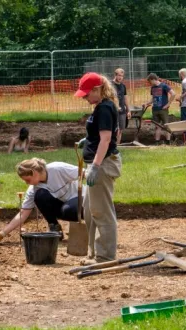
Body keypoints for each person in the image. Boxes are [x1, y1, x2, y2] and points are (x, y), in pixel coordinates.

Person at [75, 72, 122, 265]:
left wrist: (95, 166)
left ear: (97, 89)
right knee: (90, 210)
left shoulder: (104, 108)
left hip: (102, 165)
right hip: (97, 162)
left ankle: (105, 256)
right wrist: (89, 140)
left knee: (102, 211)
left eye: (87, 94)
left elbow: (107, 139)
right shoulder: (101, 107)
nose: (85, 98)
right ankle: (94, 252)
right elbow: (108, 134)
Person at [0, 158, 84, 241]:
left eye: (27, 180)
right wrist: (2, 233)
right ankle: (54, 227)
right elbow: (23, 213)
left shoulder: (57, 168)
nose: (27, 183)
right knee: (40, 196)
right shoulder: (34, 189)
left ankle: (90, 220)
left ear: (34, 173)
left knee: (68, 210)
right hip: (63, 205)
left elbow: (86, 173)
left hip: (80, 197)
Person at [143, 73, 175, 145]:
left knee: (166, 126)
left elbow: (173, 94)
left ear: (153, 79)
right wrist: (147, 103)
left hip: (163, 109)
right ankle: (157, 142)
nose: (149, 83)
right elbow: (153, 98)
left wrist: (168, 104)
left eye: (149, 82)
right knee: (157, 126)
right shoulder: (153, 88)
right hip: (155, 110)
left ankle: (168, 142)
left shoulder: (164, 86)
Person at [112, 68, 131, 143]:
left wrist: (128, 110)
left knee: (120, 130)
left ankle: (117, 146)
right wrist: (116, 106)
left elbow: (125, 98)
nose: (120, 77)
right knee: (114, 129)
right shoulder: (110, 85)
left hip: (122, 111)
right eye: (119, 75)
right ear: (115, 75)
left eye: (122, 76)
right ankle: (111, 146)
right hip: (113, 111)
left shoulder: (123, 86)